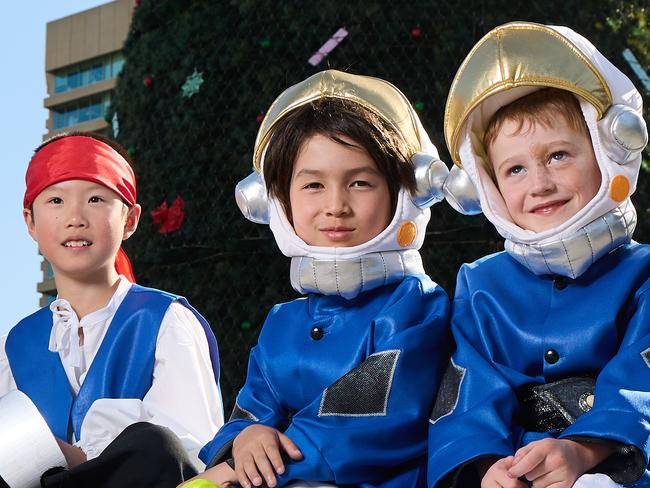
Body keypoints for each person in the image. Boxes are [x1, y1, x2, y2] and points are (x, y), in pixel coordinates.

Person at [188, 69, 452, 488]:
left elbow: (373, 422)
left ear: (405, 193)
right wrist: (244, 440)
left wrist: (246, 472)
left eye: (360, 183)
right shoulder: (282, 320)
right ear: (275, 200)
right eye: (312, 184)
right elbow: (256, 408)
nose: (336, 206)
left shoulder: (416, 305)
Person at [428, 22, 649, 488]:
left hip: (621, 465)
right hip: (516, 466)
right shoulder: (480, 284)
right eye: (514, 169)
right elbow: (471, 389)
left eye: (558, 156)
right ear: (486, 190)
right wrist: (486, 465)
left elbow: (639, 381)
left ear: (608, 151)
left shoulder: (643, 273)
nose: (539, 183)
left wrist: (584, 449)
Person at [1, 131, 224, 487]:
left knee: (155, 444)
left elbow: (189, 457)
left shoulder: (164, 320)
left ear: (130, 220)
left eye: (95, 199)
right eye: (56, 200)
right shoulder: (16, 345)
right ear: (30, 222)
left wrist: (68, 457)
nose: (75, 217)